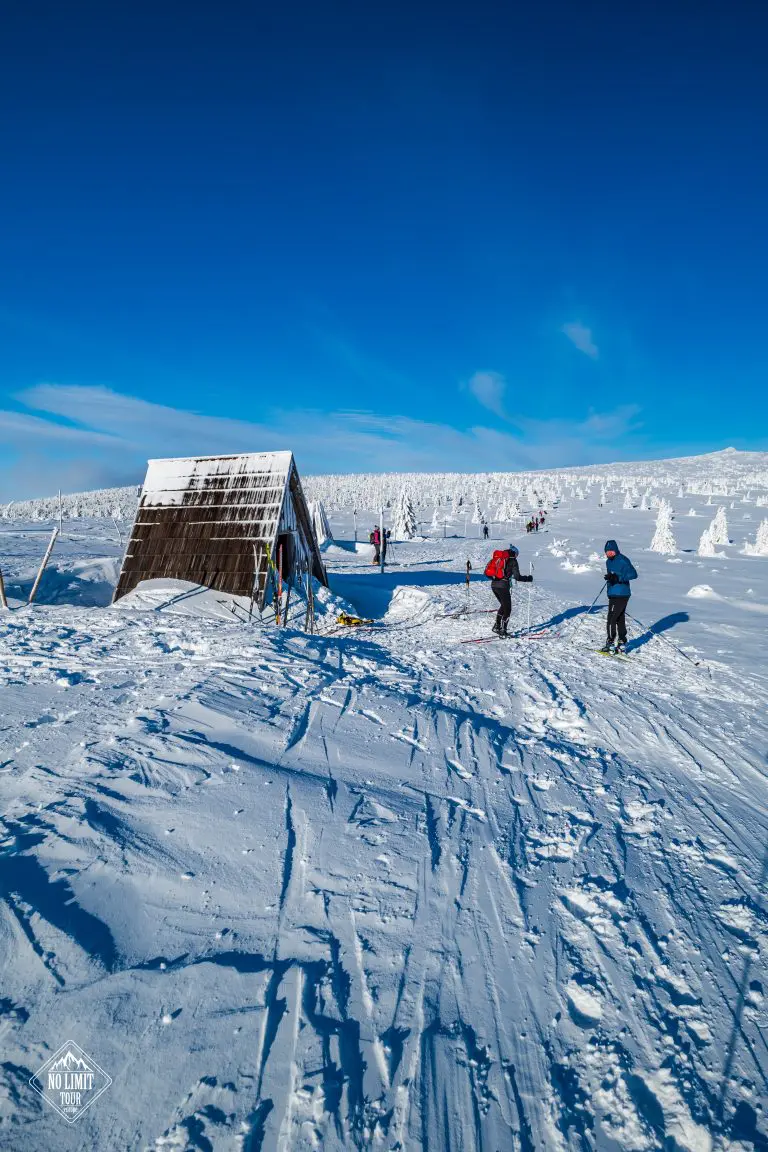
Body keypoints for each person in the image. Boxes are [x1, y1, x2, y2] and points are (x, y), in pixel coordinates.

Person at [484, 545, 533, 636]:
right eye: (517, 555)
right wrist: (528, 578)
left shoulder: (499, 558)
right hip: (503, 586)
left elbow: (487, 571)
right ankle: (503, 631)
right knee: (507, 609)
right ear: (515, 554)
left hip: (494, 585)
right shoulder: (513, 561)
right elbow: (517, 577)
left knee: (503, 606)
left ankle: (497, 626)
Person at [601, 539, 637, 653]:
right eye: (607, 552)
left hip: (622, 593)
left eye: (611, 551)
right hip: (613, 593)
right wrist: (610, 580)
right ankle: (622, 642)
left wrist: (618, 577)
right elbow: (612, 577)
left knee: (611, 618)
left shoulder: (623, 560)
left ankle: (610, 642)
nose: (609, 553)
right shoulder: (608, 562)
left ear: (616, 550)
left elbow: (633, 574)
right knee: (619, 618)